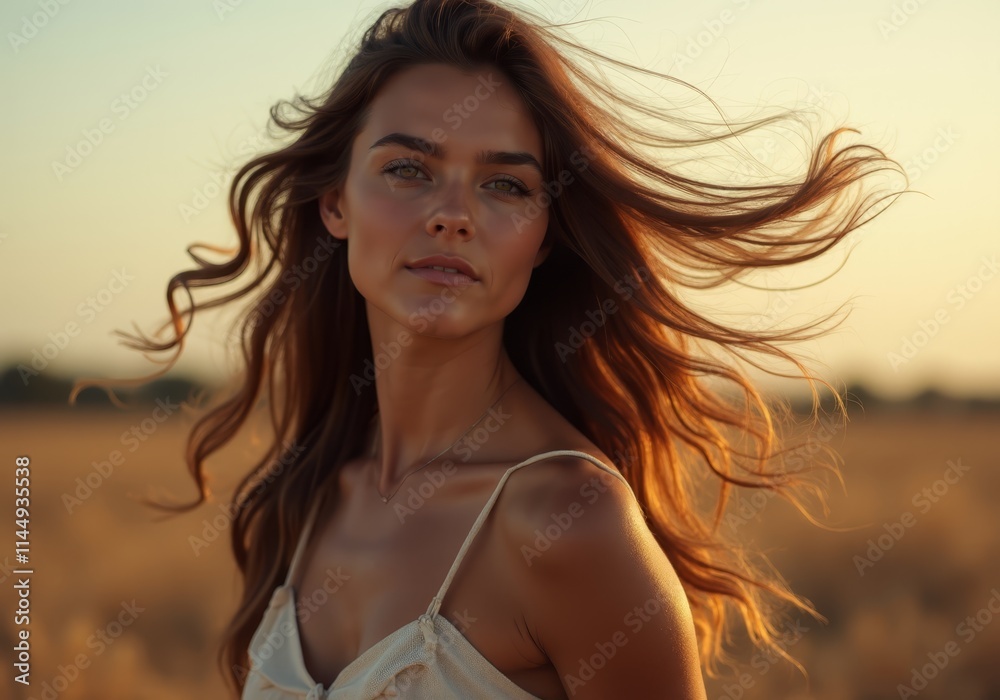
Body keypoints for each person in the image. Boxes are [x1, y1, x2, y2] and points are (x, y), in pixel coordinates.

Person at [73, 0, 904, 697]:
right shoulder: (312, 494)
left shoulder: (568, 523)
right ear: (334, 203)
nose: (453, 213)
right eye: (407, 169)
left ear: (542, 238)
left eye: (506, 184)